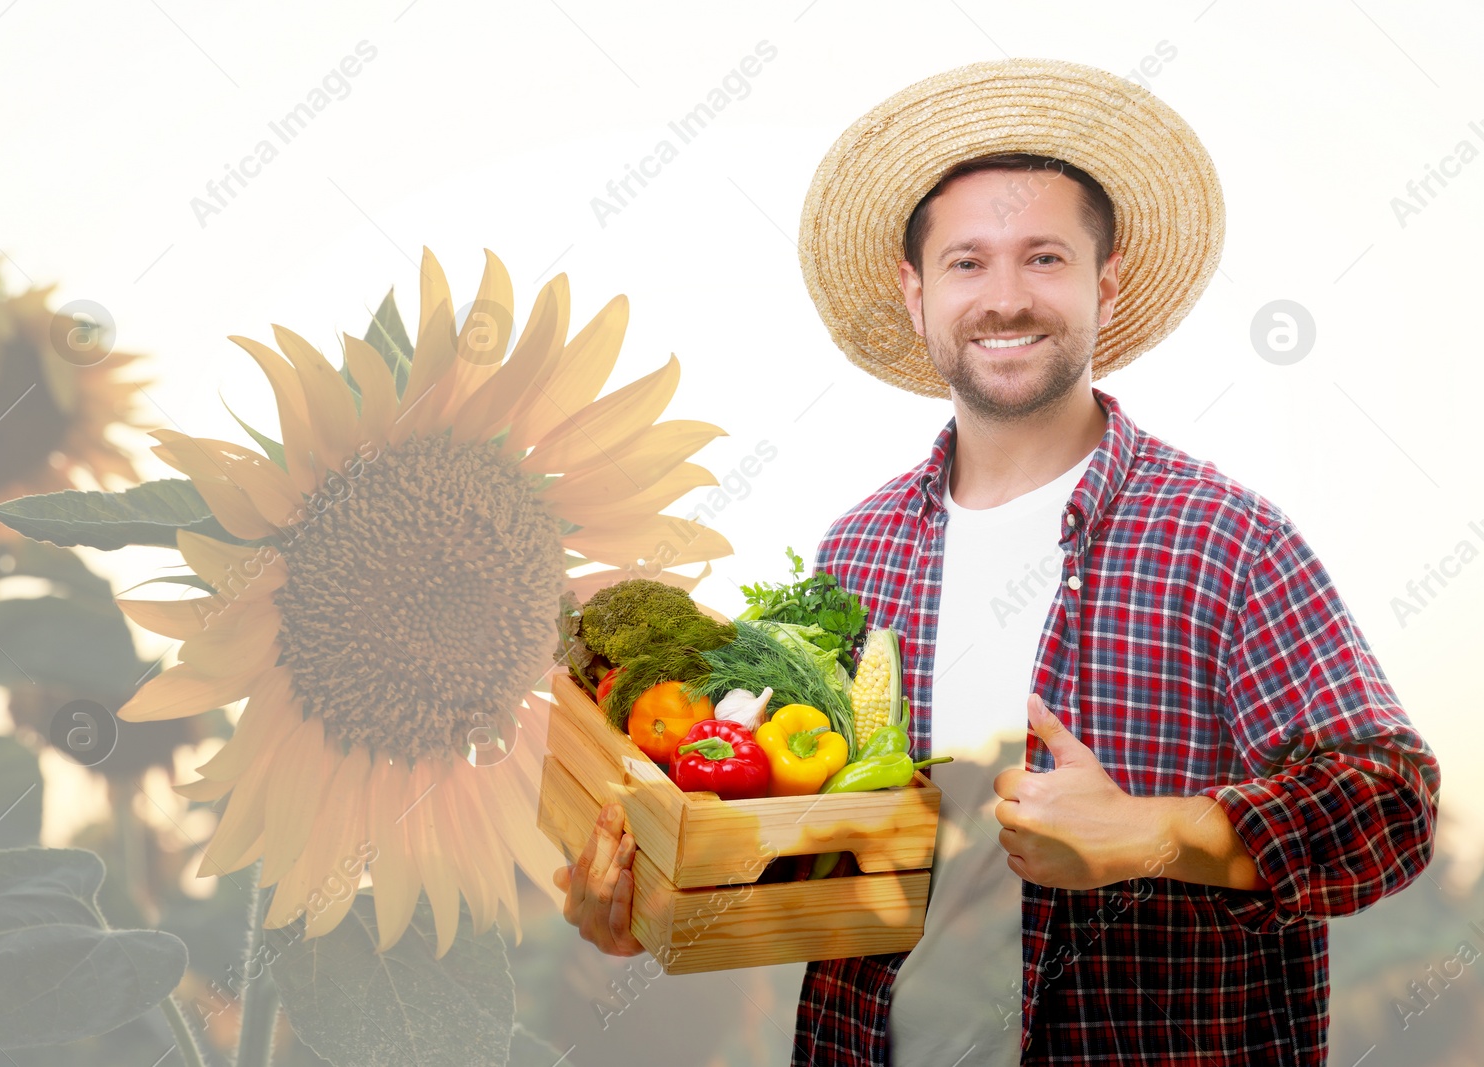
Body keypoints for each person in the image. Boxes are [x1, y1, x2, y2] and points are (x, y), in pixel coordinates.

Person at [556, 58, 1440, 1066]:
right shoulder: (861, 550)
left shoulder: (1222, 542)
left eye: (1045, 259)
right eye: (968, 262)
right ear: (915, 289)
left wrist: (1159, 831)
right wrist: (656, 904)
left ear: (1106, 282)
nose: (1005, 298)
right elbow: (822, 855)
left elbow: (1391, 800)